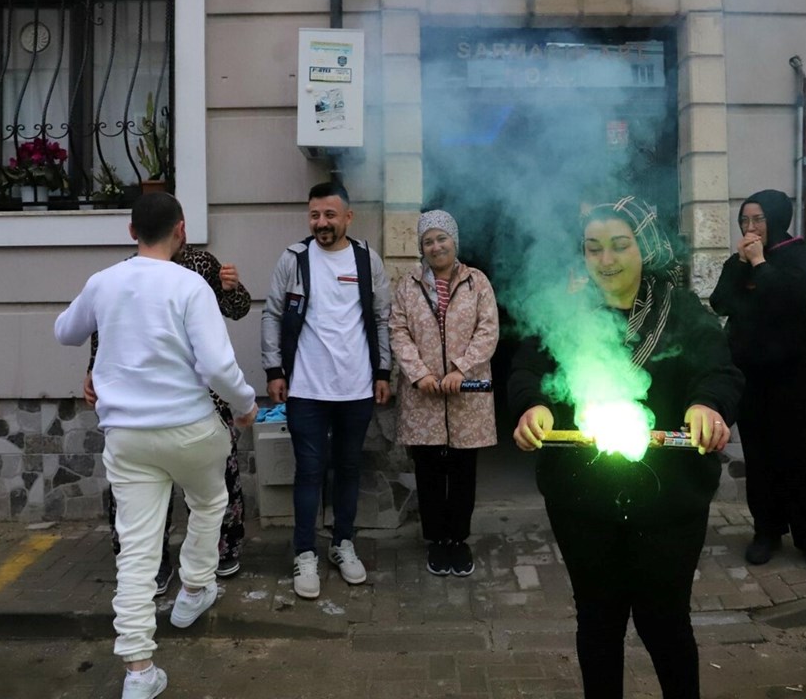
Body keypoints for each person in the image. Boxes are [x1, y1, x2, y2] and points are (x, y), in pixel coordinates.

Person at [510, 196, 743, 699]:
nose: (607, 260)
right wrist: (533, 405)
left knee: (665, 622)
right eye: (593, 249)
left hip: (669, 499)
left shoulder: (679, 310)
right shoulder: (564, 310)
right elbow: (527, 369)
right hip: (583, 499)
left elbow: (718, 370)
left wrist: (707, 405)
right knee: (598, 620)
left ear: (646, 247)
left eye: (619, 246)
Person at [55, 192, 257, 699]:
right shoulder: (191, 284)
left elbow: (64, 332)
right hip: (190, 427)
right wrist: (245, 405)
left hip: (127, 436)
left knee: (137, 552)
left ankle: (139, 671)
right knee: (211, 500)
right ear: (181, 230)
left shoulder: (104, 282)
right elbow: (216, 366)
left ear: (130, 232)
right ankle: (193, 588)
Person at [85, 244, 251, 596]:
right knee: (142, 490)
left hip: (204, 397)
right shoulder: (125, 273)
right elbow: (104, 329)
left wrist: (231, 288)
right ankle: (151, 565)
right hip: (139, 400)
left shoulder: (201, 263)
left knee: (218, 482)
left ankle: (218, 554)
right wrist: (93, 372)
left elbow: (238, 310)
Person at [261, 181, 392, 599]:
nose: (322, 223)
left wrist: (383, 371)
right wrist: (273, 370)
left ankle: (343, 544)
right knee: (310, 472)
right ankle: (304, 553)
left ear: (347, 217)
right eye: (315, 215)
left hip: (356, 389)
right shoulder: (294, 259)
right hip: (306, 389)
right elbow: (272, 314)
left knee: (349, 469)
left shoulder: (367, 260)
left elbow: (383, 319)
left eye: (330, 215)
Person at [709, 189, 806, 574]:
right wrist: (741, 266)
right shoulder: (739, 263)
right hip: (749, 374)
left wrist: (760, 264)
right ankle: (766, 532)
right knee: (760, 457)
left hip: (792, 373)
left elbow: (788, 297)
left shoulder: (799, 257)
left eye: (758, 220)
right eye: (745, 221)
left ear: (777, 219)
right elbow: (719, 302)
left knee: (795, 457)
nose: (750, 228)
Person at [389, 210, 499, 577]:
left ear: (454, 241)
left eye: (442, 239)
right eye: (428, 241)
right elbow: (398, 331)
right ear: (421, 248)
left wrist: (461, 368)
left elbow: (488, 330)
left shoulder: (477, 282)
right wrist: (419, 374)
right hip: (425, 398)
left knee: (463, 472)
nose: (436, 247)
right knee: (430, 472)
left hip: (466, 395)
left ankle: (459, 541)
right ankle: (436, 541)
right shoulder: (408, 285)